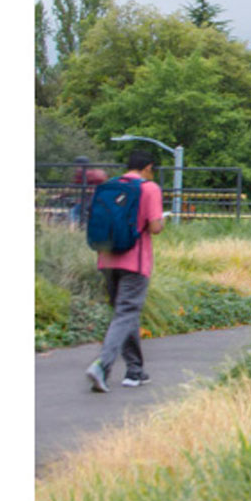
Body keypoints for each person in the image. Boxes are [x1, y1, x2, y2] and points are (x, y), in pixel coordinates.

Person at [86, 149, 166, 392]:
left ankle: (135, 370)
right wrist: (161, 219)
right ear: (148, 167)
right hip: (135, 261)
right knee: (126, 313)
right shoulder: (149, 188)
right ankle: (102, 365)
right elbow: (155, 227)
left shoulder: (110, 186)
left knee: (125, 314)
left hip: (107, 259)